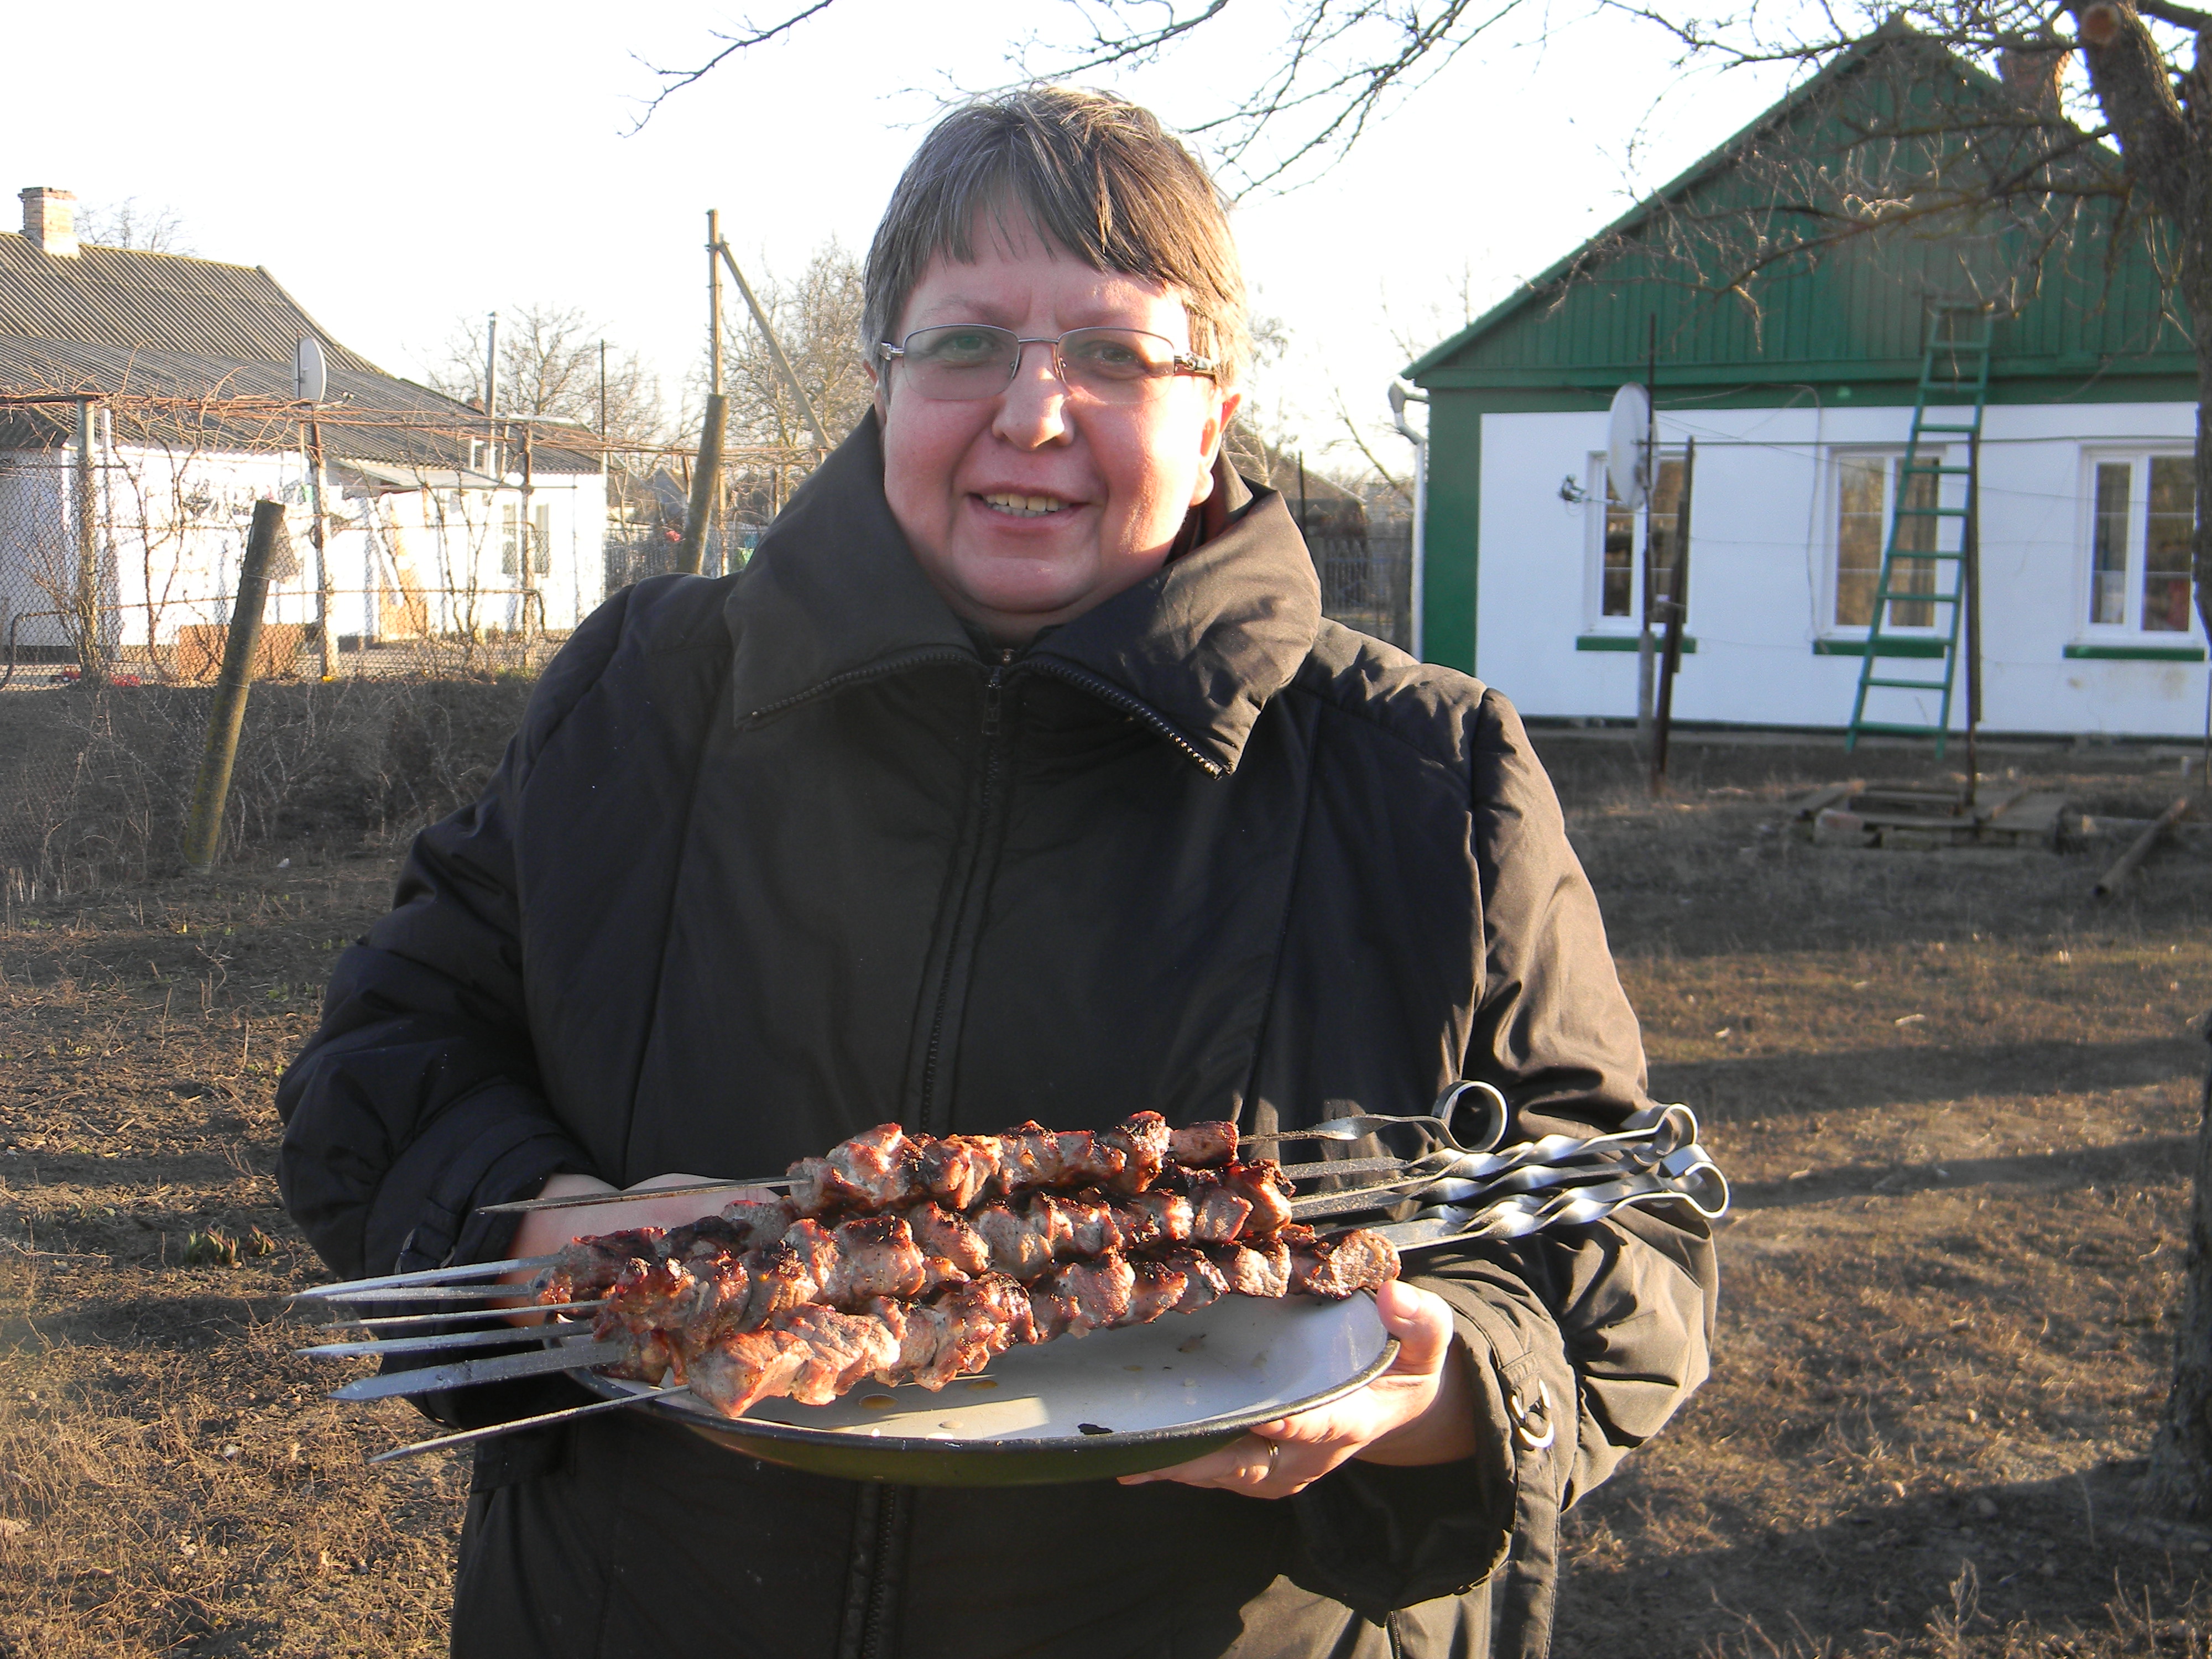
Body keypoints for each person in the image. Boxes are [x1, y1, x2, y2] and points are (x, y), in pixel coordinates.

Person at [277, 86, 1717, 1659]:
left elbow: (1628, 1242)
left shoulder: (1427, 778)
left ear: (1215, 408)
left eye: (1114, 354)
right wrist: (565, 1239)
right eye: (966, 344)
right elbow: (387, 1061)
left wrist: (1441, 1387)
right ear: (883, 380)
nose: (1032, 415)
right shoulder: (646, 696)